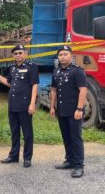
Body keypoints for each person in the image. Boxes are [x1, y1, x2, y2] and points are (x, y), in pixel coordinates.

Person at [0, 44, 39, 168]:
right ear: (13, 55)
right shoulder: (12, 68)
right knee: (14, 132)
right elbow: (9, 83)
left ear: (25, 54)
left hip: (25, 105)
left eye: (20, 53)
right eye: (16, 53)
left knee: (27, 133)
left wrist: (32, 104)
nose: (18, 55)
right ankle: (13, 156)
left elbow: (34, 85)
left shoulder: (31, 67)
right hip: (13, 105)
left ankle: (27, 158)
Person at [50, 46, 87, 178]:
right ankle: (70, 161)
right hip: (62, 110)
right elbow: (53, 90)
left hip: (74, 111)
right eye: (60, 55)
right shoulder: (56, 71)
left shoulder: (77, 71)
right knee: (66, 137)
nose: (63, 57)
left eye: (65, 54)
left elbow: (83, 90)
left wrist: (79, 109)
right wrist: (52, 107)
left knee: (75, 138)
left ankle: (78, 165)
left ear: (71, 56)